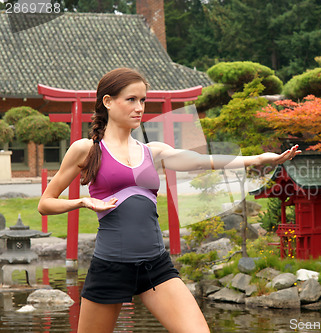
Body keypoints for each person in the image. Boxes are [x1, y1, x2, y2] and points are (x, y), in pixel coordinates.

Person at [38, 67, 300, 333]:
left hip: (156, 265)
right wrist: (82, 202)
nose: (139, 107)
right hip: (110, 266)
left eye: (142, 100)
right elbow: (45, 203)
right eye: (131, 99)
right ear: (107, 102)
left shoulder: (153, 151)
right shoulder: (86, 149)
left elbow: (203, 161)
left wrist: (257, 159)